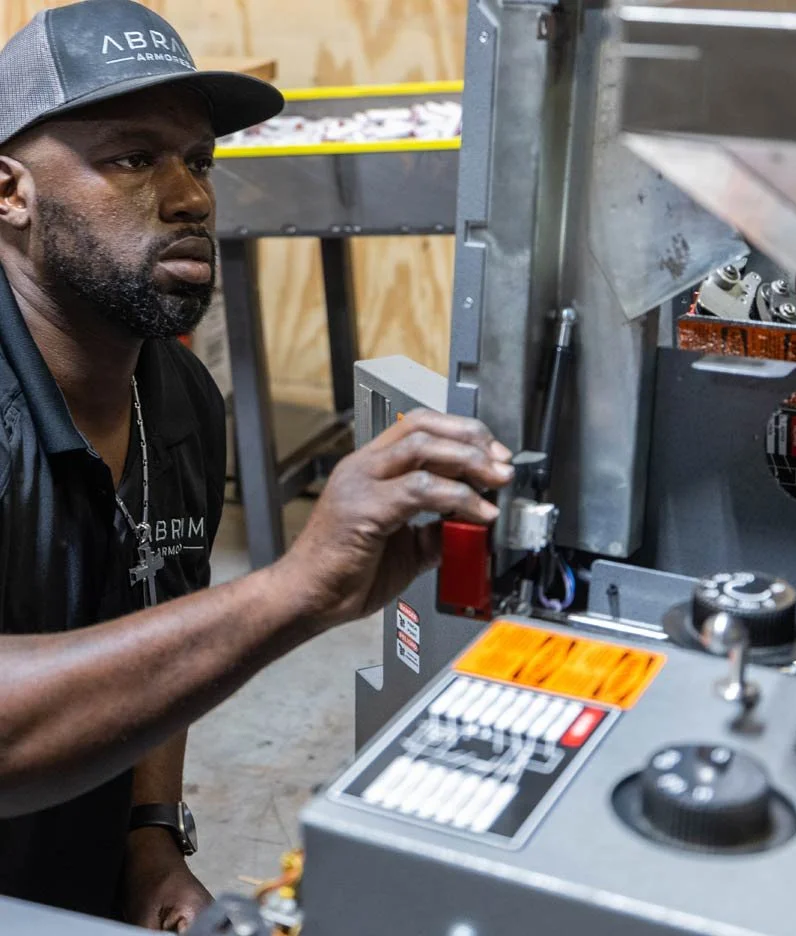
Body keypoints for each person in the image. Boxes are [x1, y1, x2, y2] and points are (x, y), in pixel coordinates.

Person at [0, 0, 513, 930]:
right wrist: (295, 589)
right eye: (132, 158)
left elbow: (162, 617)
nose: (192, 196)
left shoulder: (183, 397)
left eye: (197, 160)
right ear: (9, 193)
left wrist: (147, 841)